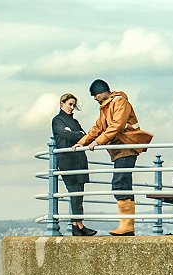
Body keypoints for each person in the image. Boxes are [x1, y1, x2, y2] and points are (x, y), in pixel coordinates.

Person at [72, 79, 152, 236]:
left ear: (102, 92)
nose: (95, 98)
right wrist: (82, 142)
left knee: (120, 182)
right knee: (122, 183)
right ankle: (127, 226)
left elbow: (117, 126)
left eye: (95, 95)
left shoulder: (120, 102)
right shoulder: (105, 107)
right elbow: (98, 127)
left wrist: (97, 142)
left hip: (127, 147)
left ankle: (127, 226)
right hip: (119, 150)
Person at [52, 93, 97, 236]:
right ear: (62, 104)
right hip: (67, 160)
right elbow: (68, 135)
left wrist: (76, 133)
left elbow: (86, 136)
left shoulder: (75, 122)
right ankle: (78, 225)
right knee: (74, 193)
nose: (72, 108)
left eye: (73, 105)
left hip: (79, 159)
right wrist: (77, 134)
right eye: (70, 104)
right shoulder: (57, 120)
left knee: (79, 193)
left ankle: (77, 225)